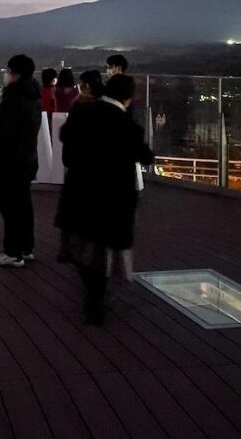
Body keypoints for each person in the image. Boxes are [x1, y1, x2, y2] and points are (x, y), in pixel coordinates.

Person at [55, 74, 154, 325]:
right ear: (129, 98)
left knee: (84, 244)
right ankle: (95, 302)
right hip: (111, 197)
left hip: (79, 190)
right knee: (101, 246)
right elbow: (145, 157)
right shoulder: (127, 125)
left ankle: (92, 292)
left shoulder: (83, 111)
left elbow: (64, 135)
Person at [0, 54, 42, 268]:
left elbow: (5, 133)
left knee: (9, 205)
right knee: (23, 204)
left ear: (15, 74)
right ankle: (26, 248)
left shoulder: (13, 99)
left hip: (11, 161)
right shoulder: (33, 96)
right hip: (27, 159)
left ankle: (12, 252)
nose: (5, 75)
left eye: (7, 71)